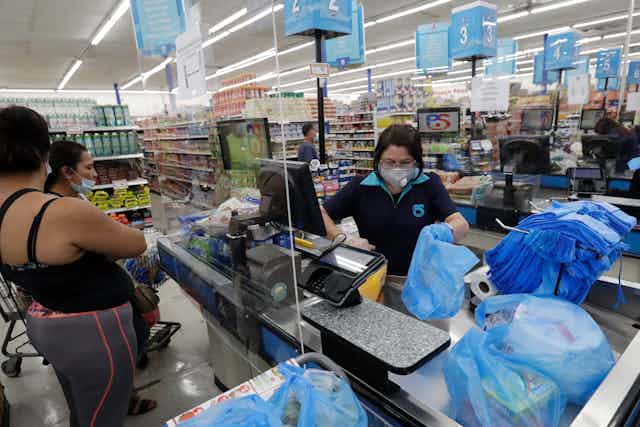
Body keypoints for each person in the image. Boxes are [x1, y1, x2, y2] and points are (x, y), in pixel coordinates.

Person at [0, 105, 147, 426]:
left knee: (82, 405)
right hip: (93, 333)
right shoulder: (62, 211)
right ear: (43, 153)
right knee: (104, 415)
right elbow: (136, 244)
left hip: (44, 321)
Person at [43, 139, 157, 415]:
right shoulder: (64, 209)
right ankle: (118, 400)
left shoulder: (65, 200)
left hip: (88, 301)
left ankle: (122, 394)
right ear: (67, 173)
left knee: (131, 339)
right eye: (89, 167)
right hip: (91, 308)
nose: (94, 174)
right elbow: (129, 245)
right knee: (129, 342)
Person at [321, 124, 469, 276]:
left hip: (420, 279)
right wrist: (342, 238)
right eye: (389, 162)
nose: (397, 168)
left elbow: (461, 224)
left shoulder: (429, 184)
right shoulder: (360, 187)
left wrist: (443, 232)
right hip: (374, 276)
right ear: (378, 159)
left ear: (416, 161)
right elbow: (320, 214)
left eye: (405, 163)